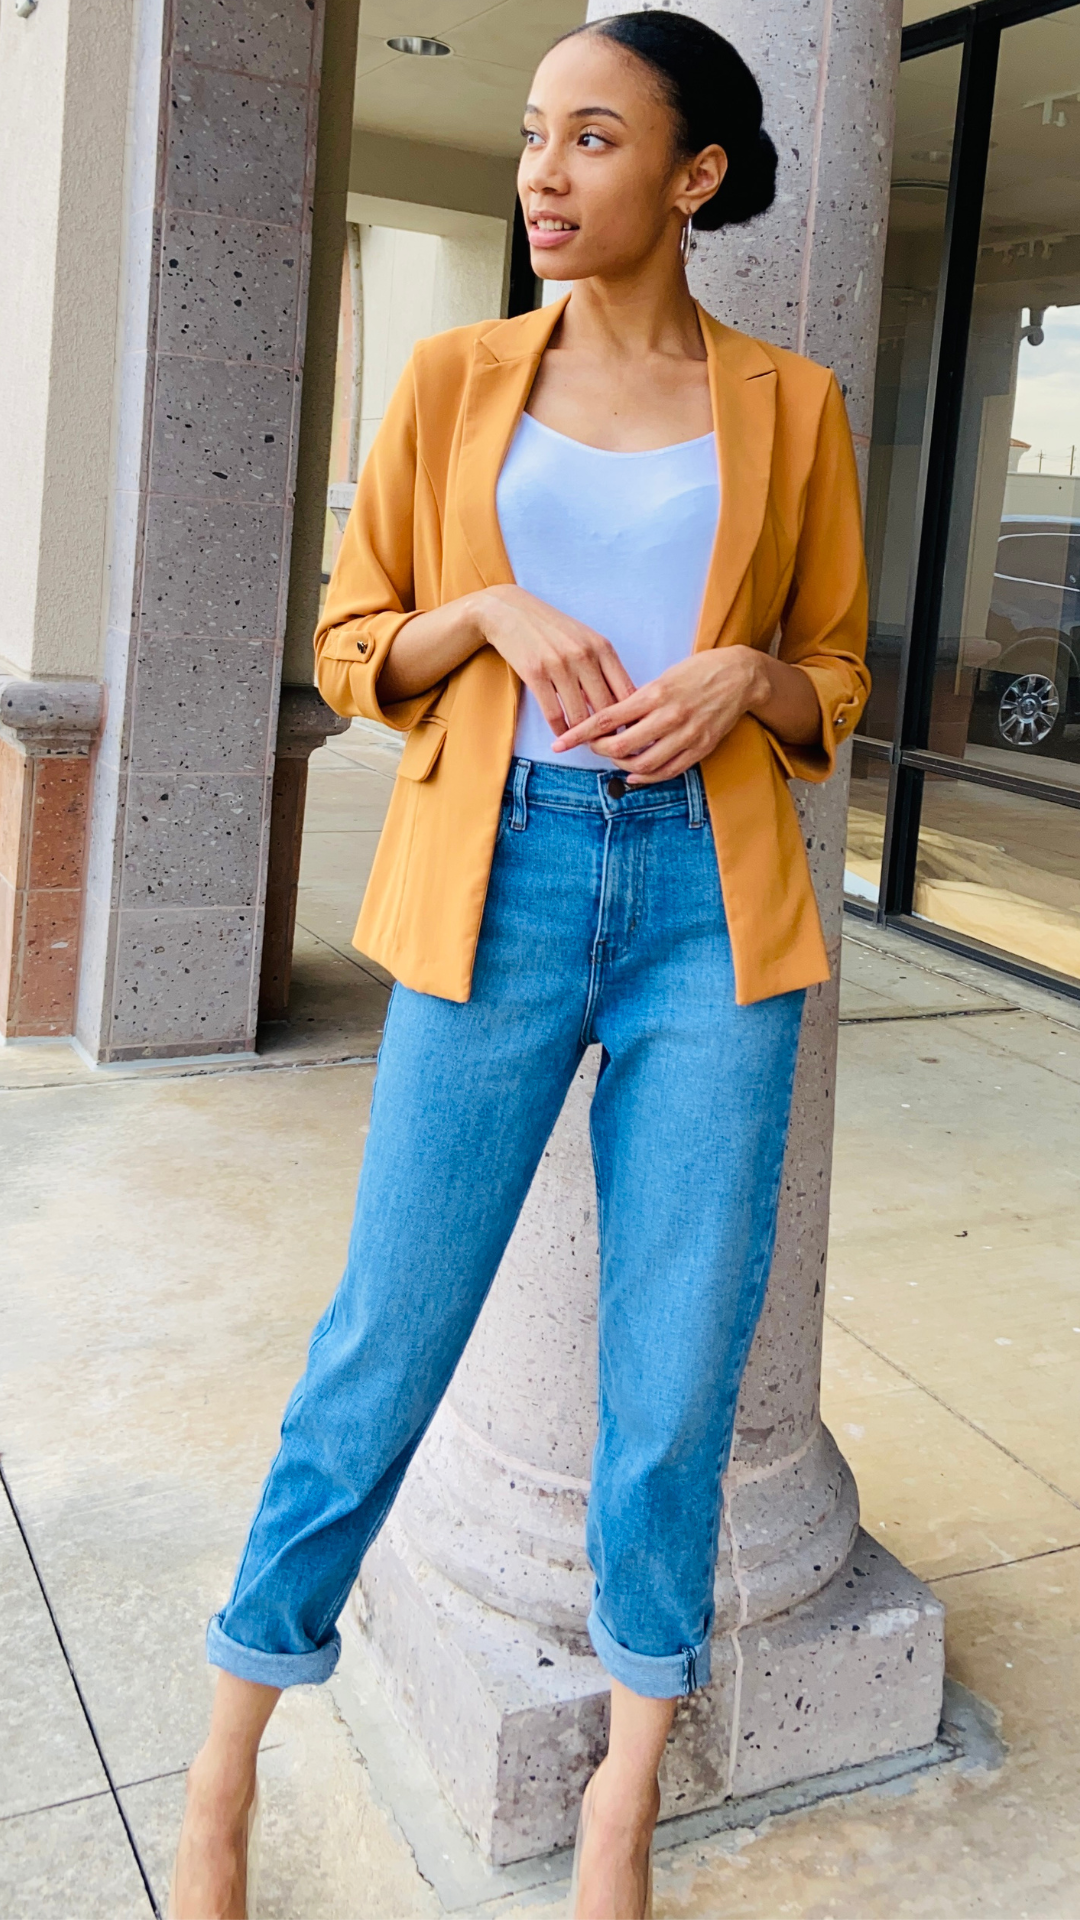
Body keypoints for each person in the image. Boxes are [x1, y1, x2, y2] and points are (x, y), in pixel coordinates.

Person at [169, 11, 870, 1918]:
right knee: (386, 1335)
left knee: (676, 1366)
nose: (543, 175)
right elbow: (348, 646)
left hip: (715, 913)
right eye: (534, 138)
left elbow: (839, 674)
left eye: (593, 139)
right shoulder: (454, 379)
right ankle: (232, 1746)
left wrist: (756, 677)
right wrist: (476, 608)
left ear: (694, 176)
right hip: (505, 882)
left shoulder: (792, 407)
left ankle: (629, 1788)